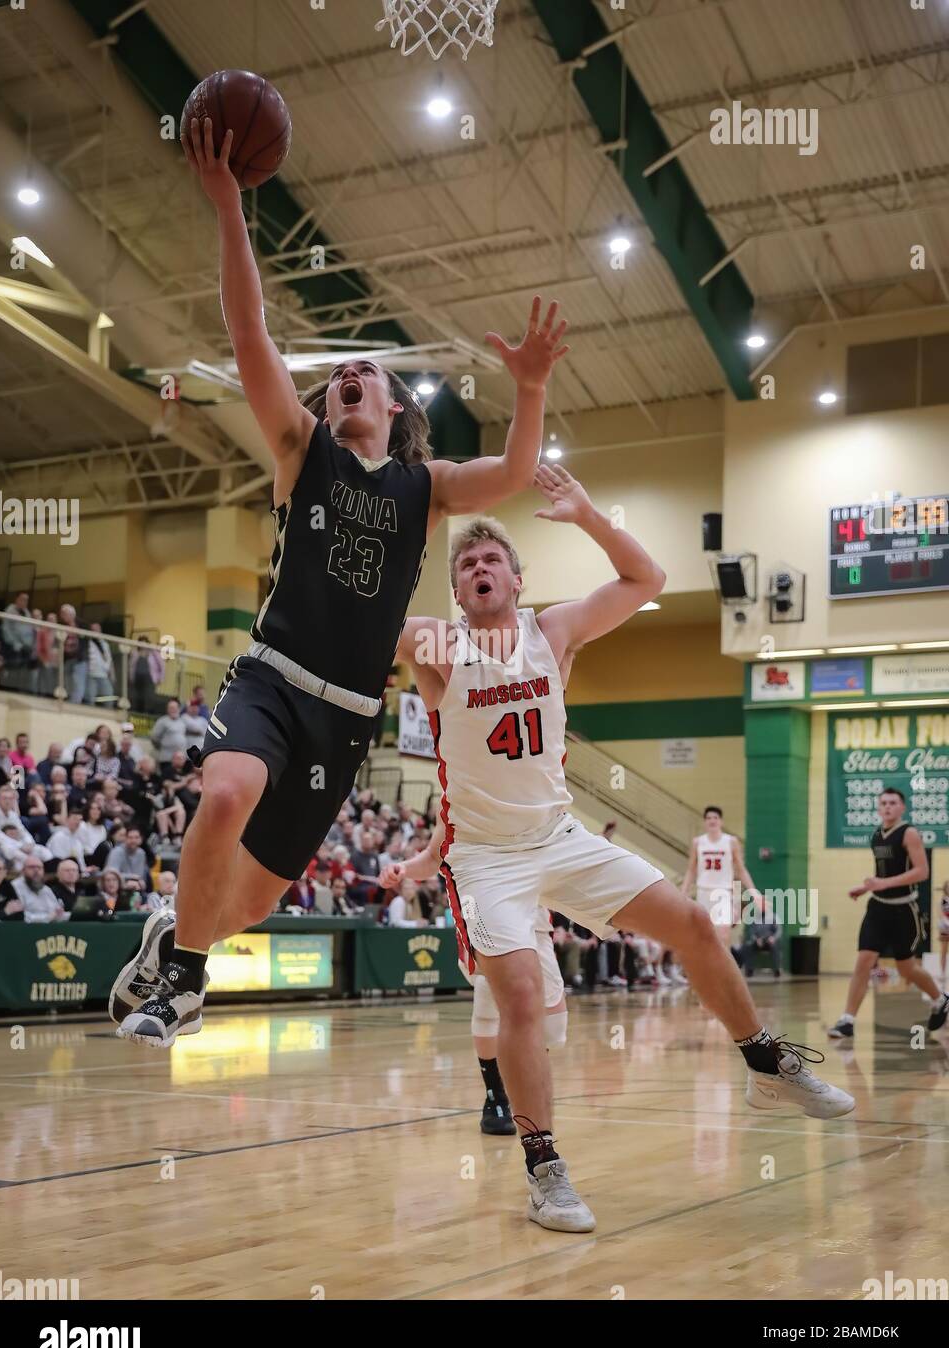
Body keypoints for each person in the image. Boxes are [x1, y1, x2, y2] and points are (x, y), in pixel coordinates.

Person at [112, 111, 570, 1047]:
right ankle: (186, 982)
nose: (353, 373)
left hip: (349, 713)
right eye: (342, 371)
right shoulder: (300, 450)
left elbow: (516, 476)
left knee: (248, 902)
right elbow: (248, 326)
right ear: (330, 400)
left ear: (397, 406)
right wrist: (229, 207)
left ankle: (178, 935)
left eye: (372, 370)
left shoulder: (427, 488)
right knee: (228, 790)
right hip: (274, 680)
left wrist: (527, 391)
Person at [394, 465, 854, 1233]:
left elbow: (648, 577)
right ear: (456, 587)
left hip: (561, 837)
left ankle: (766, 1064)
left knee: (696, 927)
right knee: (518, 999)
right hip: (484, 858)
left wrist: (587, 516)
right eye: (465, 564)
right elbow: (361, 625)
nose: (478, 569)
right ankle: (544, 1168)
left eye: (491, 560)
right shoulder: (437, 642)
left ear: (516, 577)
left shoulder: (553, 631)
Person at [382, 823, 569, 1136]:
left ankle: (522, 1084)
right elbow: (432, 856)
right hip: (486, 914)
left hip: (536, 921)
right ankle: (496, 1096)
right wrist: (403, 868)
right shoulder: (460, 803)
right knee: (489, 1001)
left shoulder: (538, 801)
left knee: (554, 1028)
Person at [828, 790, 948, 1039]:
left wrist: (884, 883)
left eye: (892, 803)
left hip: (905, 909)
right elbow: (882, 875)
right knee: (864, 961)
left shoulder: (909, 833)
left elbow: (921, 872)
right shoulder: (876, 835)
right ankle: (847, 1020)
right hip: (878, 908)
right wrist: (866, 888)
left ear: (902, 807)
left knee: (907, 969)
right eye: (883, 803)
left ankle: (940, 1000)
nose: (887, 807)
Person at [681, 806, 761, 953]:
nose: (712, 821)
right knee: (704, 935)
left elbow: (740, 871)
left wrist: (753, 893)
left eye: (715, 818)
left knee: (724, 933)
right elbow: (691, 870)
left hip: (724, 892)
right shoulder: (698, 842)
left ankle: (724, 972)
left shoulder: (731, 842)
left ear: (721, 821)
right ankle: (707, 970)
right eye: (709, 818)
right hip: (703, 892)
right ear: (705, 822)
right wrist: (683, 893)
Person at [0, 786, 51, 871]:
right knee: (11, 850)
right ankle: (28, 868)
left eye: (10, 798)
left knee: (43, 851)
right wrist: (20, 846)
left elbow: (22, 831)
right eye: (4, 798)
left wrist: (29, 843)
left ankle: (50, 870)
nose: (7, 801)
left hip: (16, 845)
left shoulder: (13, 815)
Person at [13, 855, 63, 923]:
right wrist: (47, 918)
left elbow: (56, 912)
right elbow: (21, 916)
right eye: (31, 867)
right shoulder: (14, 887)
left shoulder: (46, 889)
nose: (36, 870)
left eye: (39, 868)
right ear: (23, 871)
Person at [86, 622, 116, 706]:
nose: (95, 631)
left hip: (103, 674)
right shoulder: (88, 644)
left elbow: (109, 660)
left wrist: (112, 674)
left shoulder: (105, 644)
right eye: (93, 630)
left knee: (109, 696)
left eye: (97, 629)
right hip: (91, 674)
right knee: (90, 698)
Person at [0, 851, 23, 920]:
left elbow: (18, 912)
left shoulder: (7, 886)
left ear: (5, 873)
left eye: (0, 869)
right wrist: (4, 912)